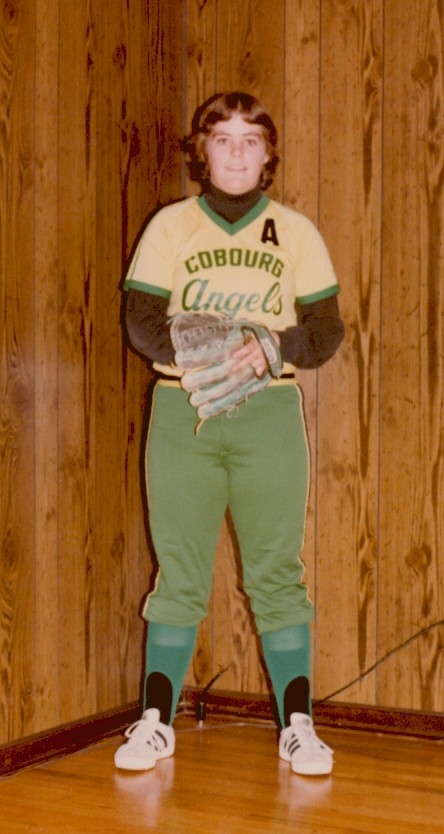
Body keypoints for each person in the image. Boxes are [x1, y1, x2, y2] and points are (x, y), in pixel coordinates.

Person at [114, 91, 344, 777]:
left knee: (277, 572)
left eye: (251, 140)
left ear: (269, 154)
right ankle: (156, 721)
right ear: (201, 150)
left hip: (268, 411)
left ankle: (297, 724)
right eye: (223, 139)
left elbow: (327, 332)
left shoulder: (296, 232)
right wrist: (210, 353)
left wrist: (272, 343)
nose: (237, 152)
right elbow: (141, 321)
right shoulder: (171, 226)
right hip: (184, 408)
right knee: (178, 572)